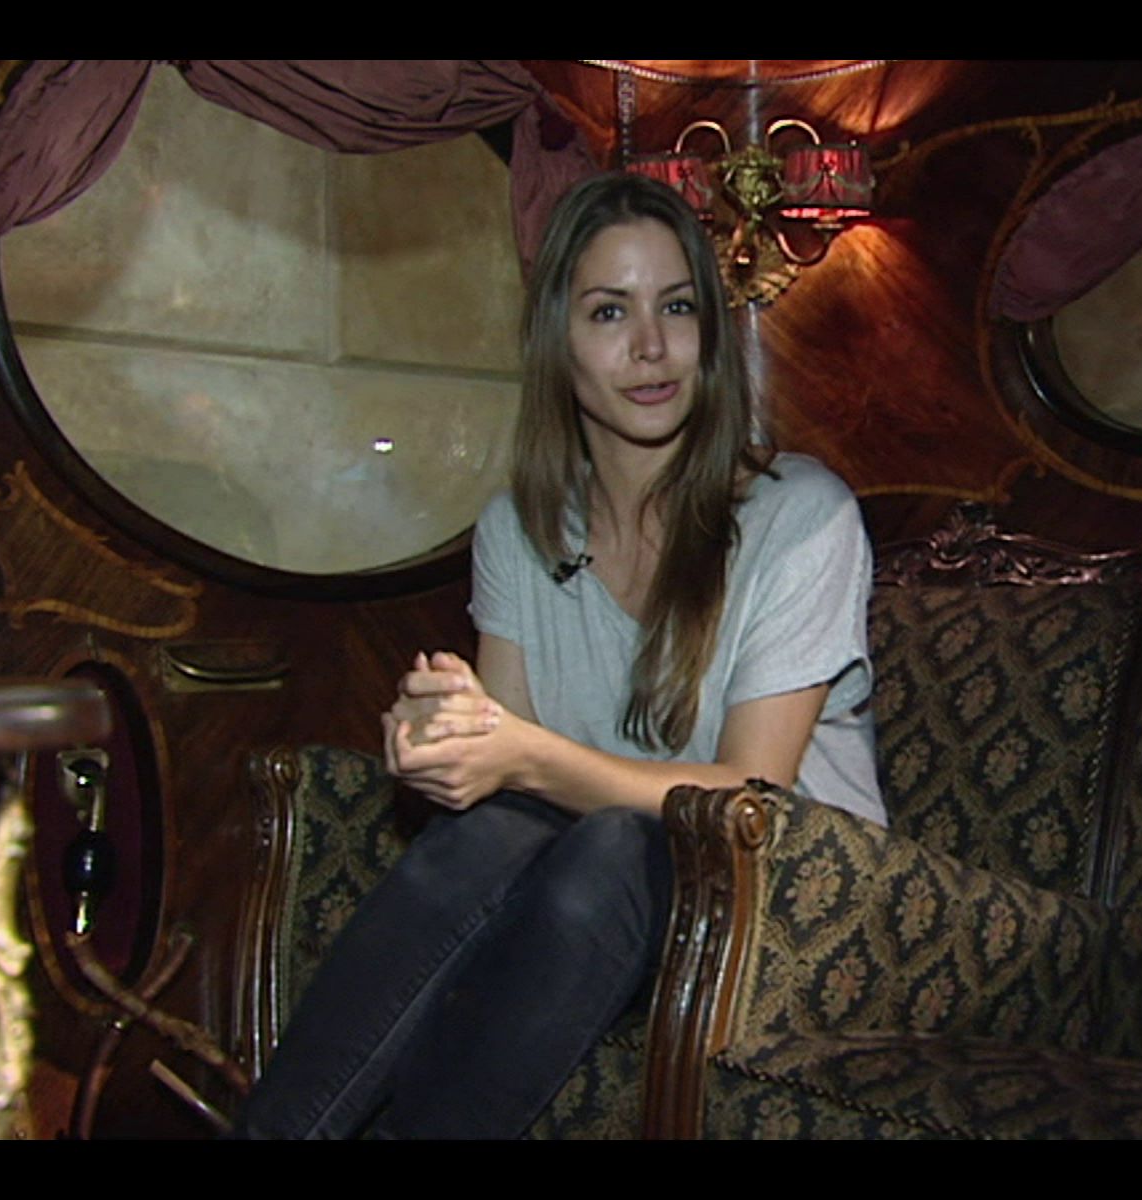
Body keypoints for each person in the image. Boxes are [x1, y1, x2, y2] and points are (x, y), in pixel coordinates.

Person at [235, 171, 881, 1140]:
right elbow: (507, 790)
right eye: (609, 312)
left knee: (610, 848)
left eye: (677, 308)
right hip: (613, 893)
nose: (651, 346)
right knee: (501, 836)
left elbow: (749, 795)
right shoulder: (520, 530)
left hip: (798, 905)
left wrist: (518, 753)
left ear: (710, 332)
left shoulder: (802, 516)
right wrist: (447, 735)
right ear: (558, 342)